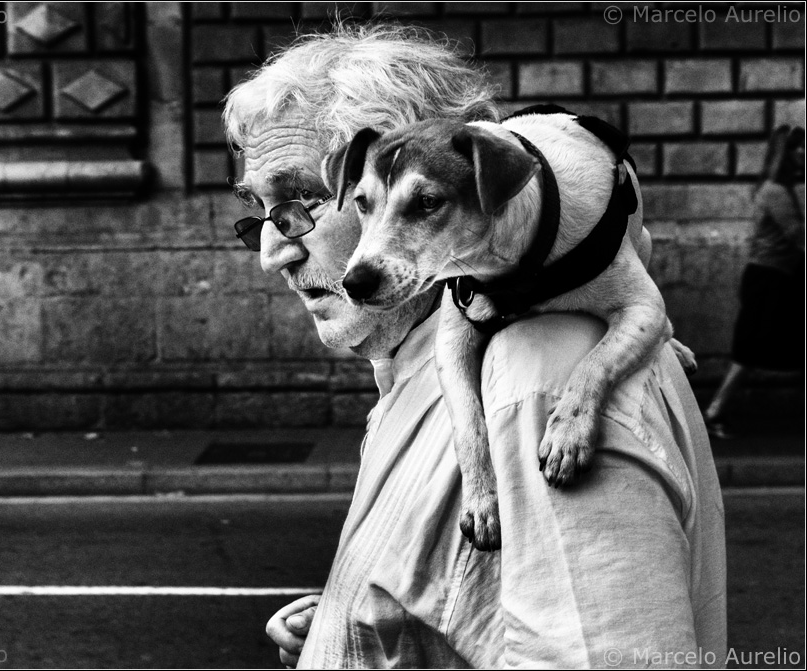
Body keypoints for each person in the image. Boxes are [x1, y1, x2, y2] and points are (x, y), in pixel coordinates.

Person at [224, 23, 727, 668]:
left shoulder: (535, 381)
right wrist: (353, 630)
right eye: (260, 211)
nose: (272, 253)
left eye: (301, 200)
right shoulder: (435, 373)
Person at [704, 125, 805, 439]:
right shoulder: (774, 191)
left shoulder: (783, 189)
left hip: (783, 277)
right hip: (768, 279)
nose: (804, 154)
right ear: (785, 154)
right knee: (750, 351)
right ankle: (715, 410)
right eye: (798, 148)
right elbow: (799, 237)